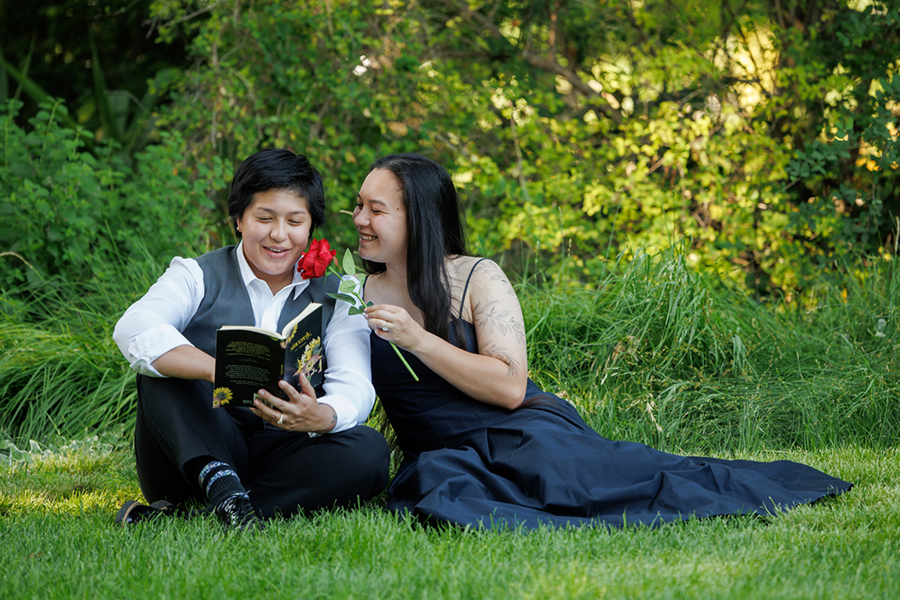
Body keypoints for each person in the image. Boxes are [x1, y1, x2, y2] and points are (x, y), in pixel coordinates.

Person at [352, 153, 853, 530]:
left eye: (376, 210)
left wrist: (418, 339)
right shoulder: (352, 293)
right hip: (440, 454)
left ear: (419, 217)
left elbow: (510, 387)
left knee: (593, 485)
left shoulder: (477, 277)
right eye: (358, 206)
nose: (359, 220)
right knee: (442, 492)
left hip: (517, 432)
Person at [113, 149, 390, 530]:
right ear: (239, 220)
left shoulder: (340, 293)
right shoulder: (196, 274)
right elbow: (134, 327)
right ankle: (221, 485)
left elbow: (355, 384)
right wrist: (217, 371)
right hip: (199, 444)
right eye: (264, 218)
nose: (279, 235)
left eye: (295, 221)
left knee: (369, 450)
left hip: (287, 447)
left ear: (311, 228)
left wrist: (320, 415)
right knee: (163, 371)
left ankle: (225, 509)